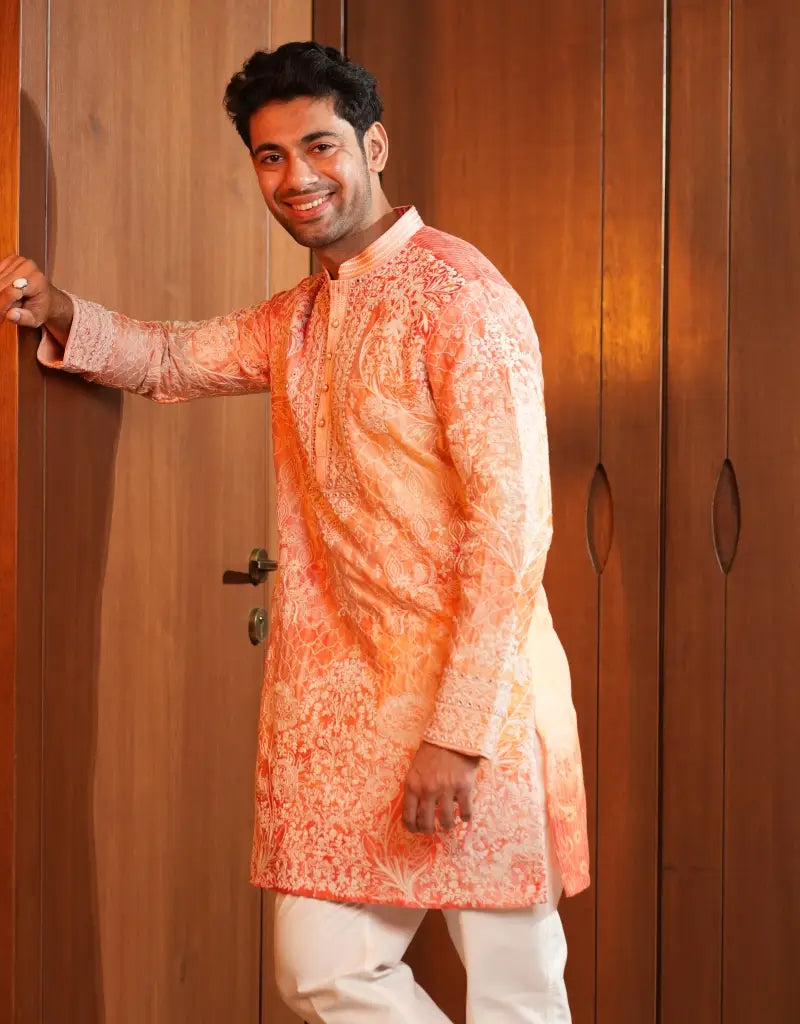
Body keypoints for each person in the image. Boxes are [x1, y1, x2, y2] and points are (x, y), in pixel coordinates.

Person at [1, 42, 589, 1024]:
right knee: (320, 971)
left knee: (512, 995)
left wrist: (459, 729)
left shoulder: (458, 298)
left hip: (476, 705)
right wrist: (56, 310)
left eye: (319, 146)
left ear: (374, 144)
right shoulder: (303, 317)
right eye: (269, 157)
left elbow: (512, 526)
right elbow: (176, 358)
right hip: (349, 712)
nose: (296, 177)